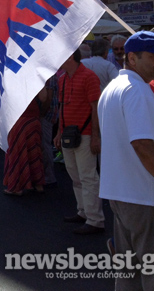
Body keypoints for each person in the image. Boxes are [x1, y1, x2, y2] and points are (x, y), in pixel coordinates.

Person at [98, 31, 154, 289]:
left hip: (124, 195)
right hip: (148, 198)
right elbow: (142, 144)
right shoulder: (137, 90)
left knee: (129, 273)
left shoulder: (114, 88)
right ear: (132, 58)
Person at [53, 49, 104, 235]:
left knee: (87, 177)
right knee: (75, 175)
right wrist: (59, 132)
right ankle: (83, 212)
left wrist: (96, 136)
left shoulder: (89, 77)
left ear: (69, 57)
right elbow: (61, 108)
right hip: (69, 134)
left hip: (85, 134)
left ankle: (95, 219)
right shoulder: (62, 79)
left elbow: (95, 108)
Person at [3, 92, 46, 195]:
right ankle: (38, 184)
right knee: (34, 150)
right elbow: (44, 98)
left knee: (16, 150)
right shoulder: (35, 75)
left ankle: (16, 186)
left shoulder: (10, 76)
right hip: (33, 116)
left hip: (17, 116)